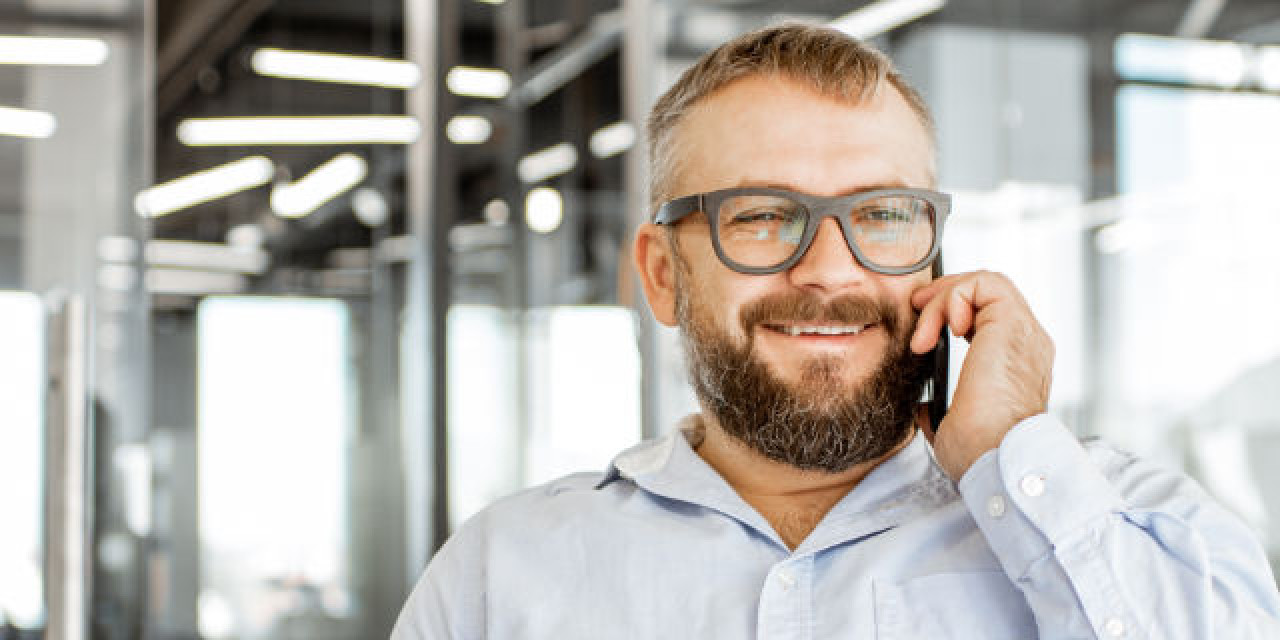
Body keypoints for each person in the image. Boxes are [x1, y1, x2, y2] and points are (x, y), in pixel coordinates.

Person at [392, 23, 1280, 638]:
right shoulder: (501, 575)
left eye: (883, 214)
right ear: (662, 274)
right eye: (761, 216)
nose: (829, 270)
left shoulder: (1140, 531)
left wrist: (1010, 456)